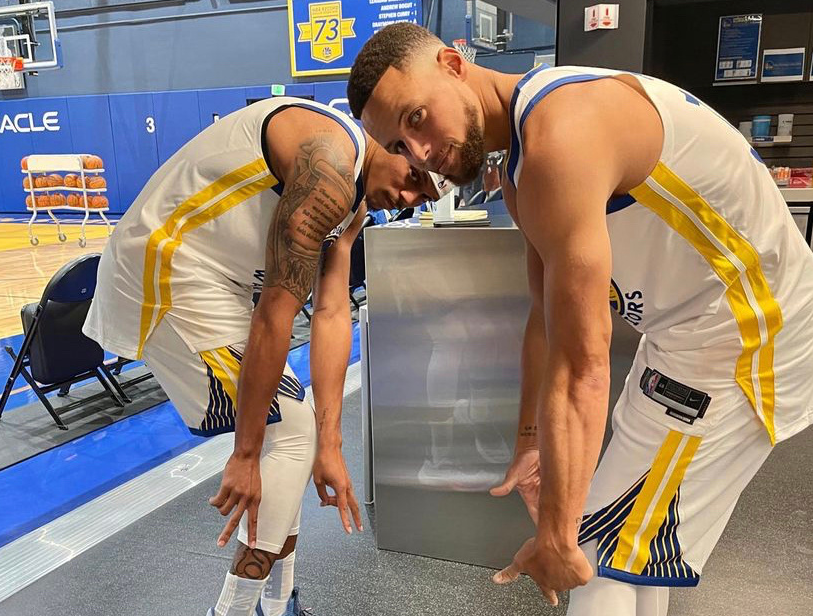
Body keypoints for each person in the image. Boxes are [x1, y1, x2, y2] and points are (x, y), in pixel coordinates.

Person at [346, 22, 813, 615]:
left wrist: (557, 533)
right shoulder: (521, 164)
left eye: (416, 118)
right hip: (683, 338)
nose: (418, 151)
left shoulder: (560, 133)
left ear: (454, 64)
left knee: (594, 552)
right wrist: (531, 443)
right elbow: (545, 320)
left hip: (747, 339)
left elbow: (583, 365)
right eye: (398, 144)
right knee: (634, 547)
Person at [83, 96, 441, 616]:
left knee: (296, 436)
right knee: (289, 433)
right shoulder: (330, 161)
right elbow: (276, 314)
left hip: (219, 282)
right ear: (395, 140)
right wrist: (245, 454)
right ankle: (236, 611)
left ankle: (276, 605)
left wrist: (331, 442)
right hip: (167, 267)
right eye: (414, 178)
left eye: (422, 197)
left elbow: (331, 313)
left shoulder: (356, 200)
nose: (408, 197)